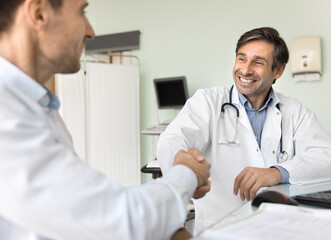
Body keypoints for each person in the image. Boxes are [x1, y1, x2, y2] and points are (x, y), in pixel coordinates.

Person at [0, 0, 211, 239]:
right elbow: (114, 220)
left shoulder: (40, 109)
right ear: (39, 14)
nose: (90, 31)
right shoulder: (7, 113)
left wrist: (169, 224)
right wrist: (187, 173)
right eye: (82, 11)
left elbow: (84, 212)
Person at [157, 27, 331, 234]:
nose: (245, 70)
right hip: (220, 228)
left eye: (258, 62)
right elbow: (172, 140)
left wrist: (277, 172)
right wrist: (183, 174)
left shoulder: (294, 111)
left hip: (278, 228)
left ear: (278, 71)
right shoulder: (209, 102)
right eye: (241, 59)